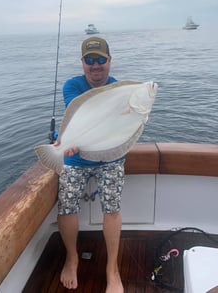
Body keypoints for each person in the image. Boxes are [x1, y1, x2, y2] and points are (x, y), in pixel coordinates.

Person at [56, 36, 125, 293]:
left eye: (100, 59)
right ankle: (72, 258)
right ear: (82, 62)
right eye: (89, 60)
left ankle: (112, 270)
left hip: (110, 157)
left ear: (109, 60)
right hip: (77, 156)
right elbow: (77, 116)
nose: (95, 66)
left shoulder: (119, 88)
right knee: (66, 205)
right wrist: (65, 141)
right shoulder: (71, 86)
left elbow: (119, 125)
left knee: (113, 209)